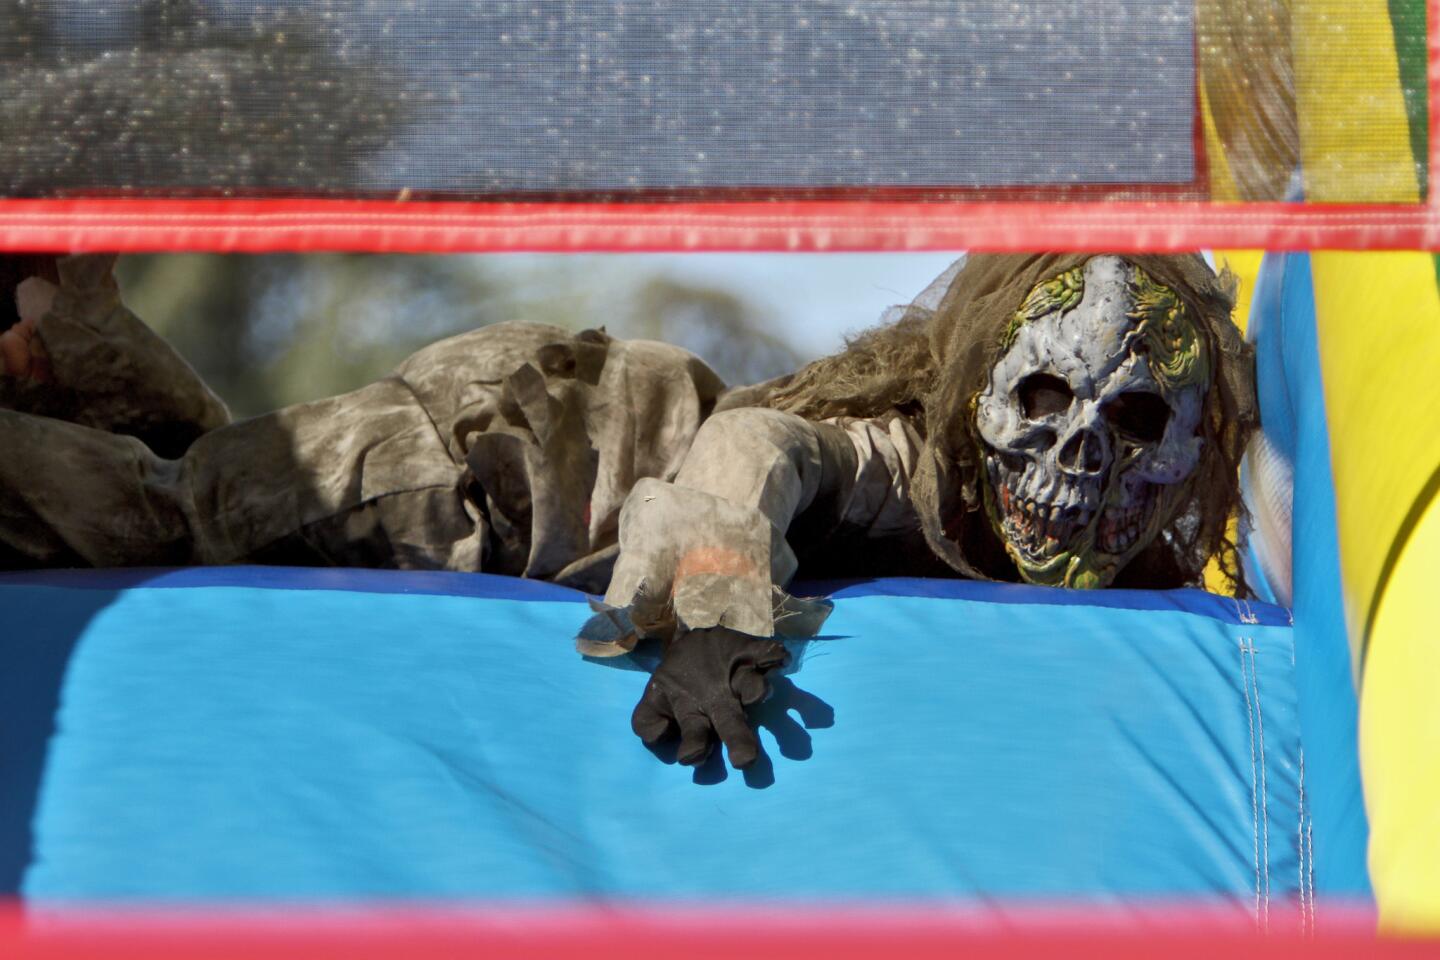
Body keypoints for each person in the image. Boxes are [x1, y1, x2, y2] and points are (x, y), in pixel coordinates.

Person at [0, 252, 1256, 768]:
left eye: (1139, 429)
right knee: (180, 515)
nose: (1081, 459)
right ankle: (54, 331)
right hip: (523, 459)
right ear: (985, 389)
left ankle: (66, 330)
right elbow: (760, 447)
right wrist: (712, 601)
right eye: (1044, 402)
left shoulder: (1130, 546)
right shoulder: (918, 460)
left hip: (559, 420)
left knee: (221, 479)